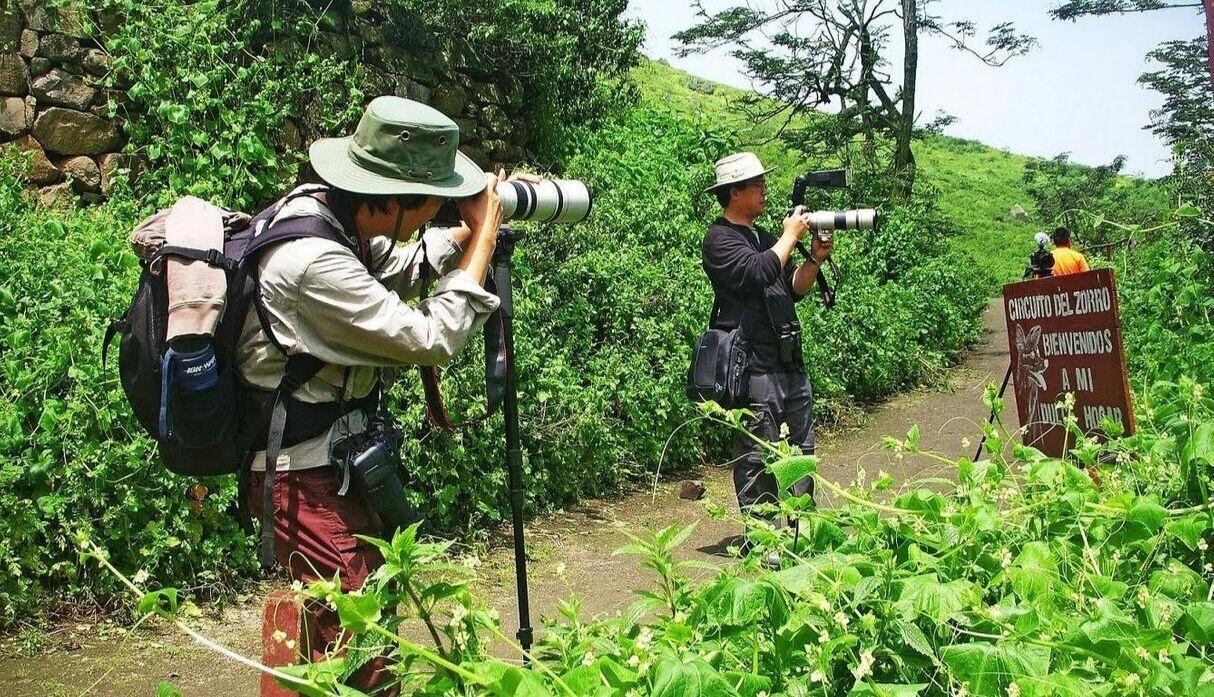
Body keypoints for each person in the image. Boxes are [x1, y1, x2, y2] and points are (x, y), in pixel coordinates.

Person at [238, 96, 506, 691]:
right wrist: (484, 233)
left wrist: (481, 218)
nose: (439, 213)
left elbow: (405, 262)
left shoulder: (331, 214)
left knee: (318, 611)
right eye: (434, 201)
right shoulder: (313, 262)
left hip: (325, 461)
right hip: (298, 469)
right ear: (394, 198)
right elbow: (432, 337)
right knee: (358, 619)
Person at [700, 152, 833, 550]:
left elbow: (793, 288)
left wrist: (815, 260)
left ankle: (799, 535)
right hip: (754, 371)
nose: (764, 190)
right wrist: (790, 235)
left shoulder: (762, 239)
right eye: (755, 184)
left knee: (802, 454)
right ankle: (764, 542)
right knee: (758, 458)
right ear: (733, 192)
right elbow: (757, 272)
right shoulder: (719, 239)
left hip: (790, 364)